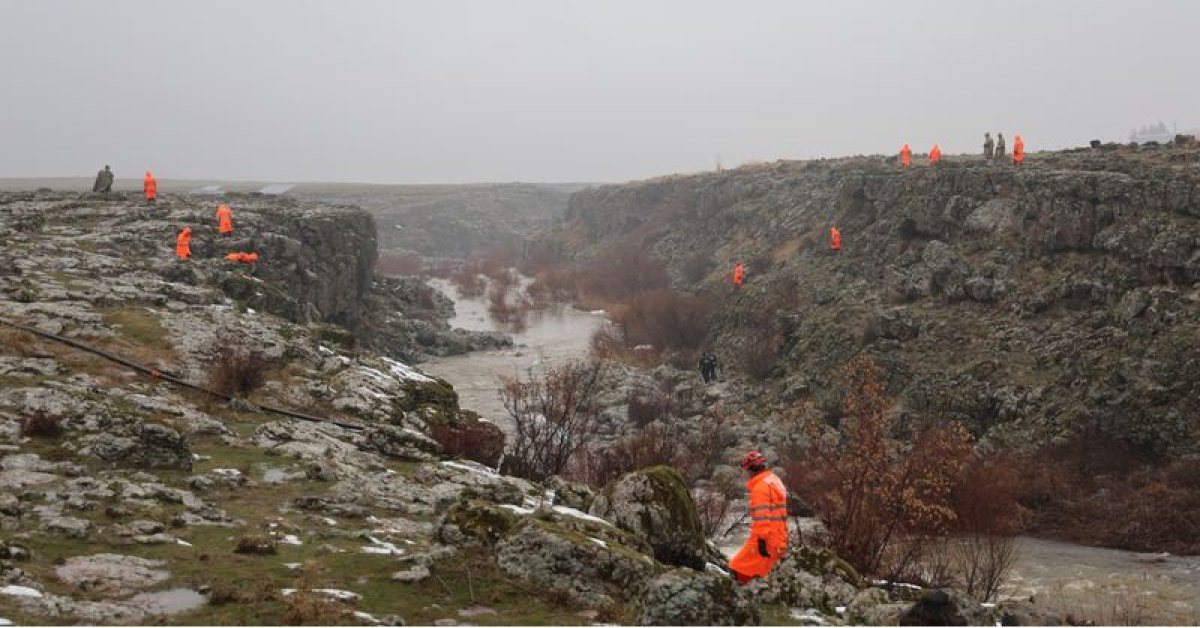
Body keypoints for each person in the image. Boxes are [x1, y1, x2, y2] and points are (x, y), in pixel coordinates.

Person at [728, 450, 789, 584]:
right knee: (765, 575)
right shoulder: (775, 481)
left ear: (750, 469)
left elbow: (762, 518)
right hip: (779, 539)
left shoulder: (760, 488)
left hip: (766, 539)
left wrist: (761, 541)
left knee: (737, 567)